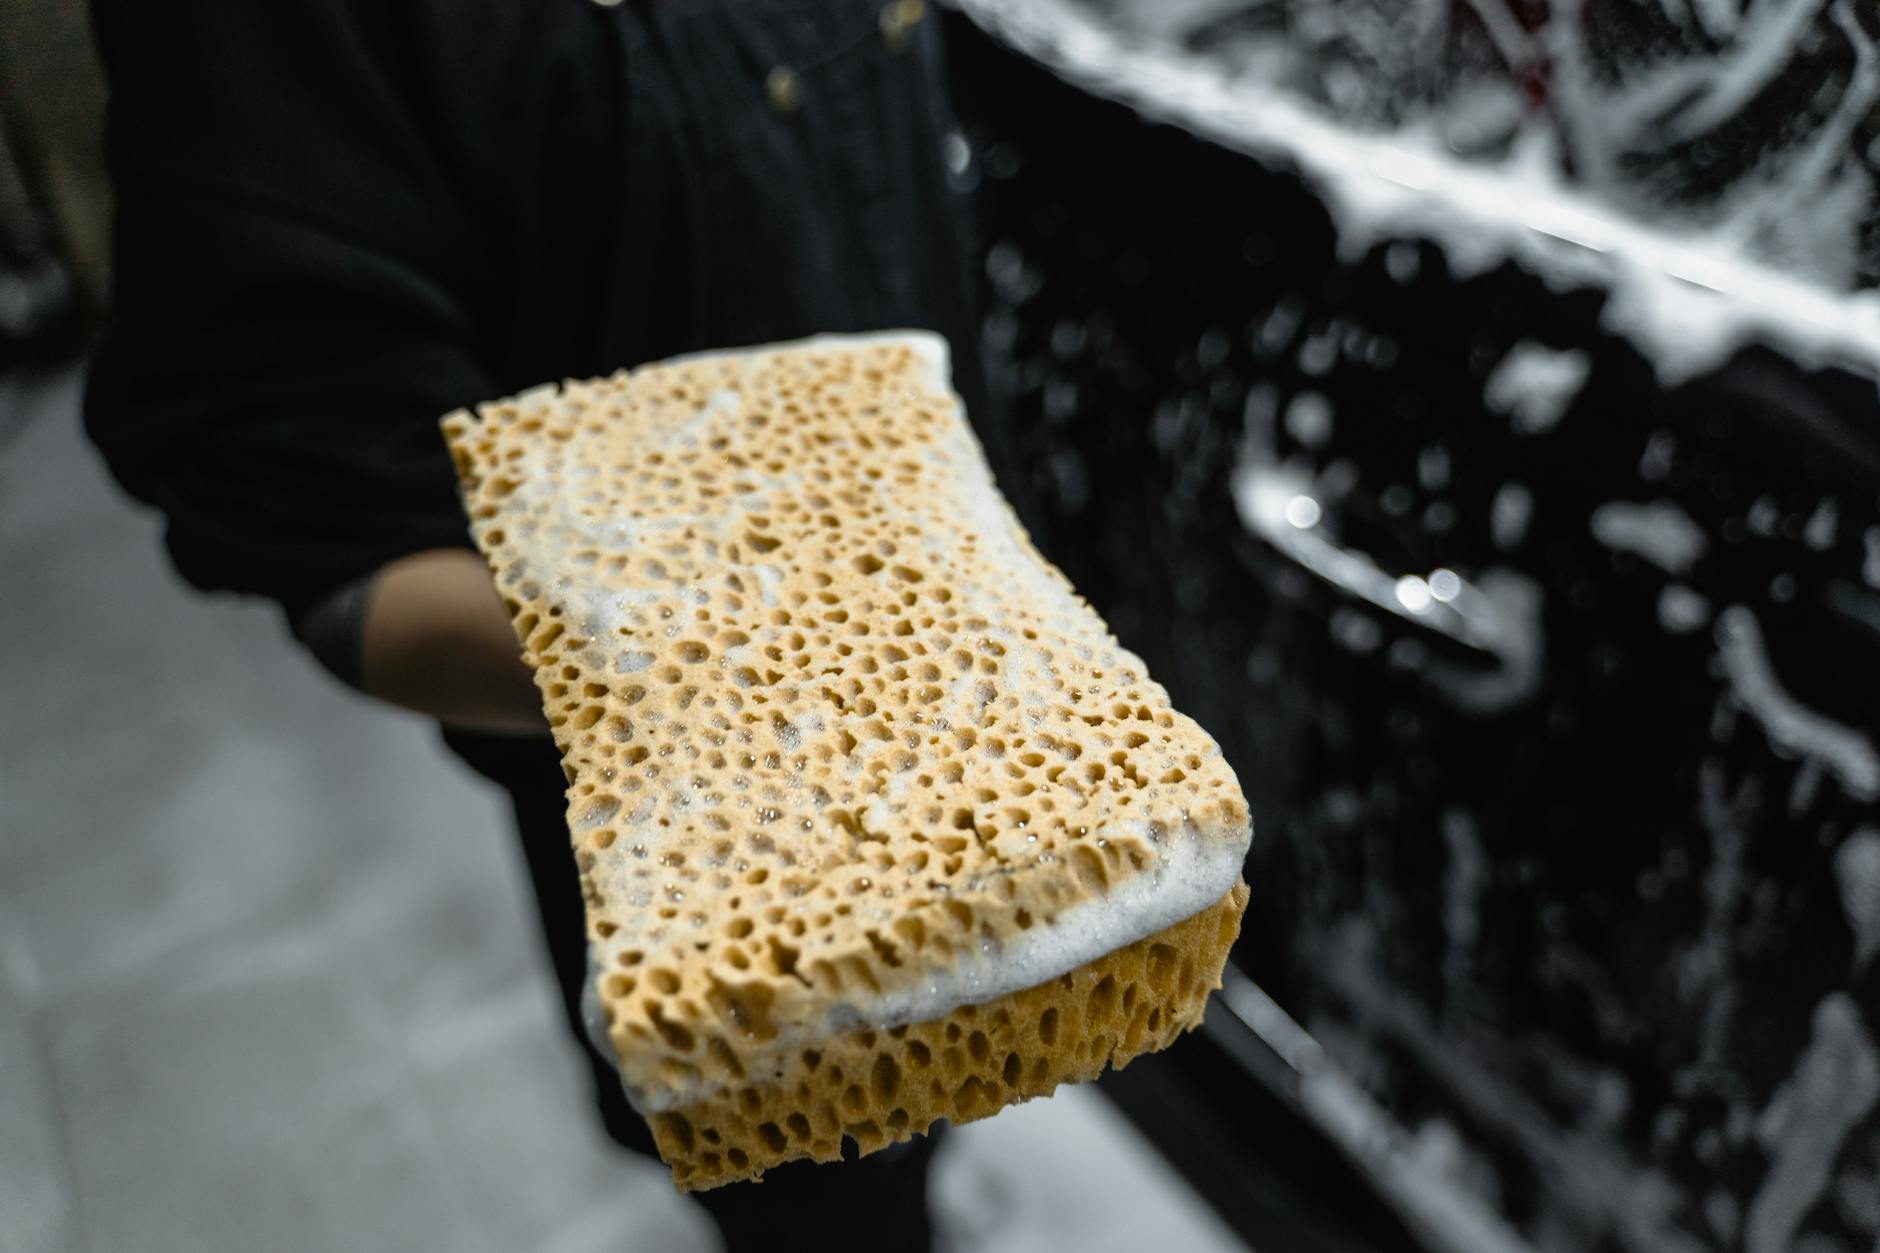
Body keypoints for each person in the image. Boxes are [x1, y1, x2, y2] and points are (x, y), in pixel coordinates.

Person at [83, 2, 1018, 1247]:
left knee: (953, 1065)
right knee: (823, 1172)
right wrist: (766, 671)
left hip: (956, 644)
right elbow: (318, 513)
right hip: (706, 811)